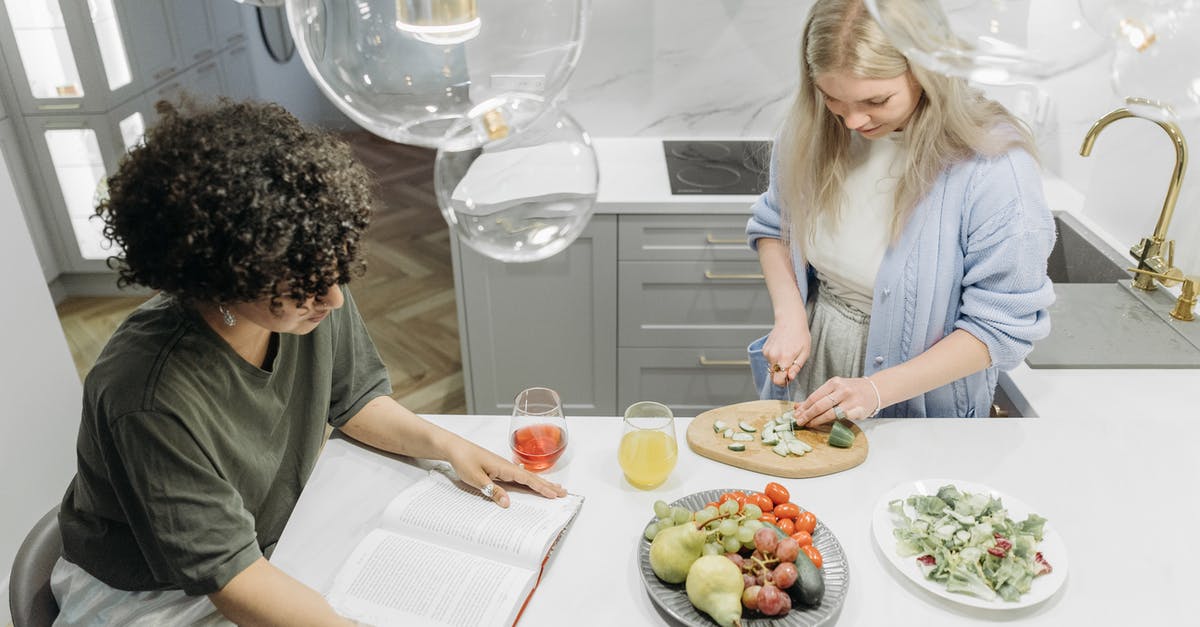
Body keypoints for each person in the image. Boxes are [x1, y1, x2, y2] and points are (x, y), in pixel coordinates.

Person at [52, 98, 566, 626]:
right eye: (305, 285)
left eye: (334, 273)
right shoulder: (147, 394)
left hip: (262, 544)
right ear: (224, 271)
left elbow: (355, 398)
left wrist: (446, 446)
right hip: (151, 593)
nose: (334, 299)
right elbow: (232, 582)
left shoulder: (307, 283)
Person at [746, 0, 1055, 424]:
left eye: (876, 100)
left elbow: (1001, 327)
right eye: (833, 97)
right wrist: (790, 317)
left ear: (926, 72)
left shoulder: (992, 168)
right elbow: (774, 225)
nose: (853, 121)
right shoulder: (814, 128)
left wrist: (876, 389)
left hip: (919, 398)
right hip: (817, 366)